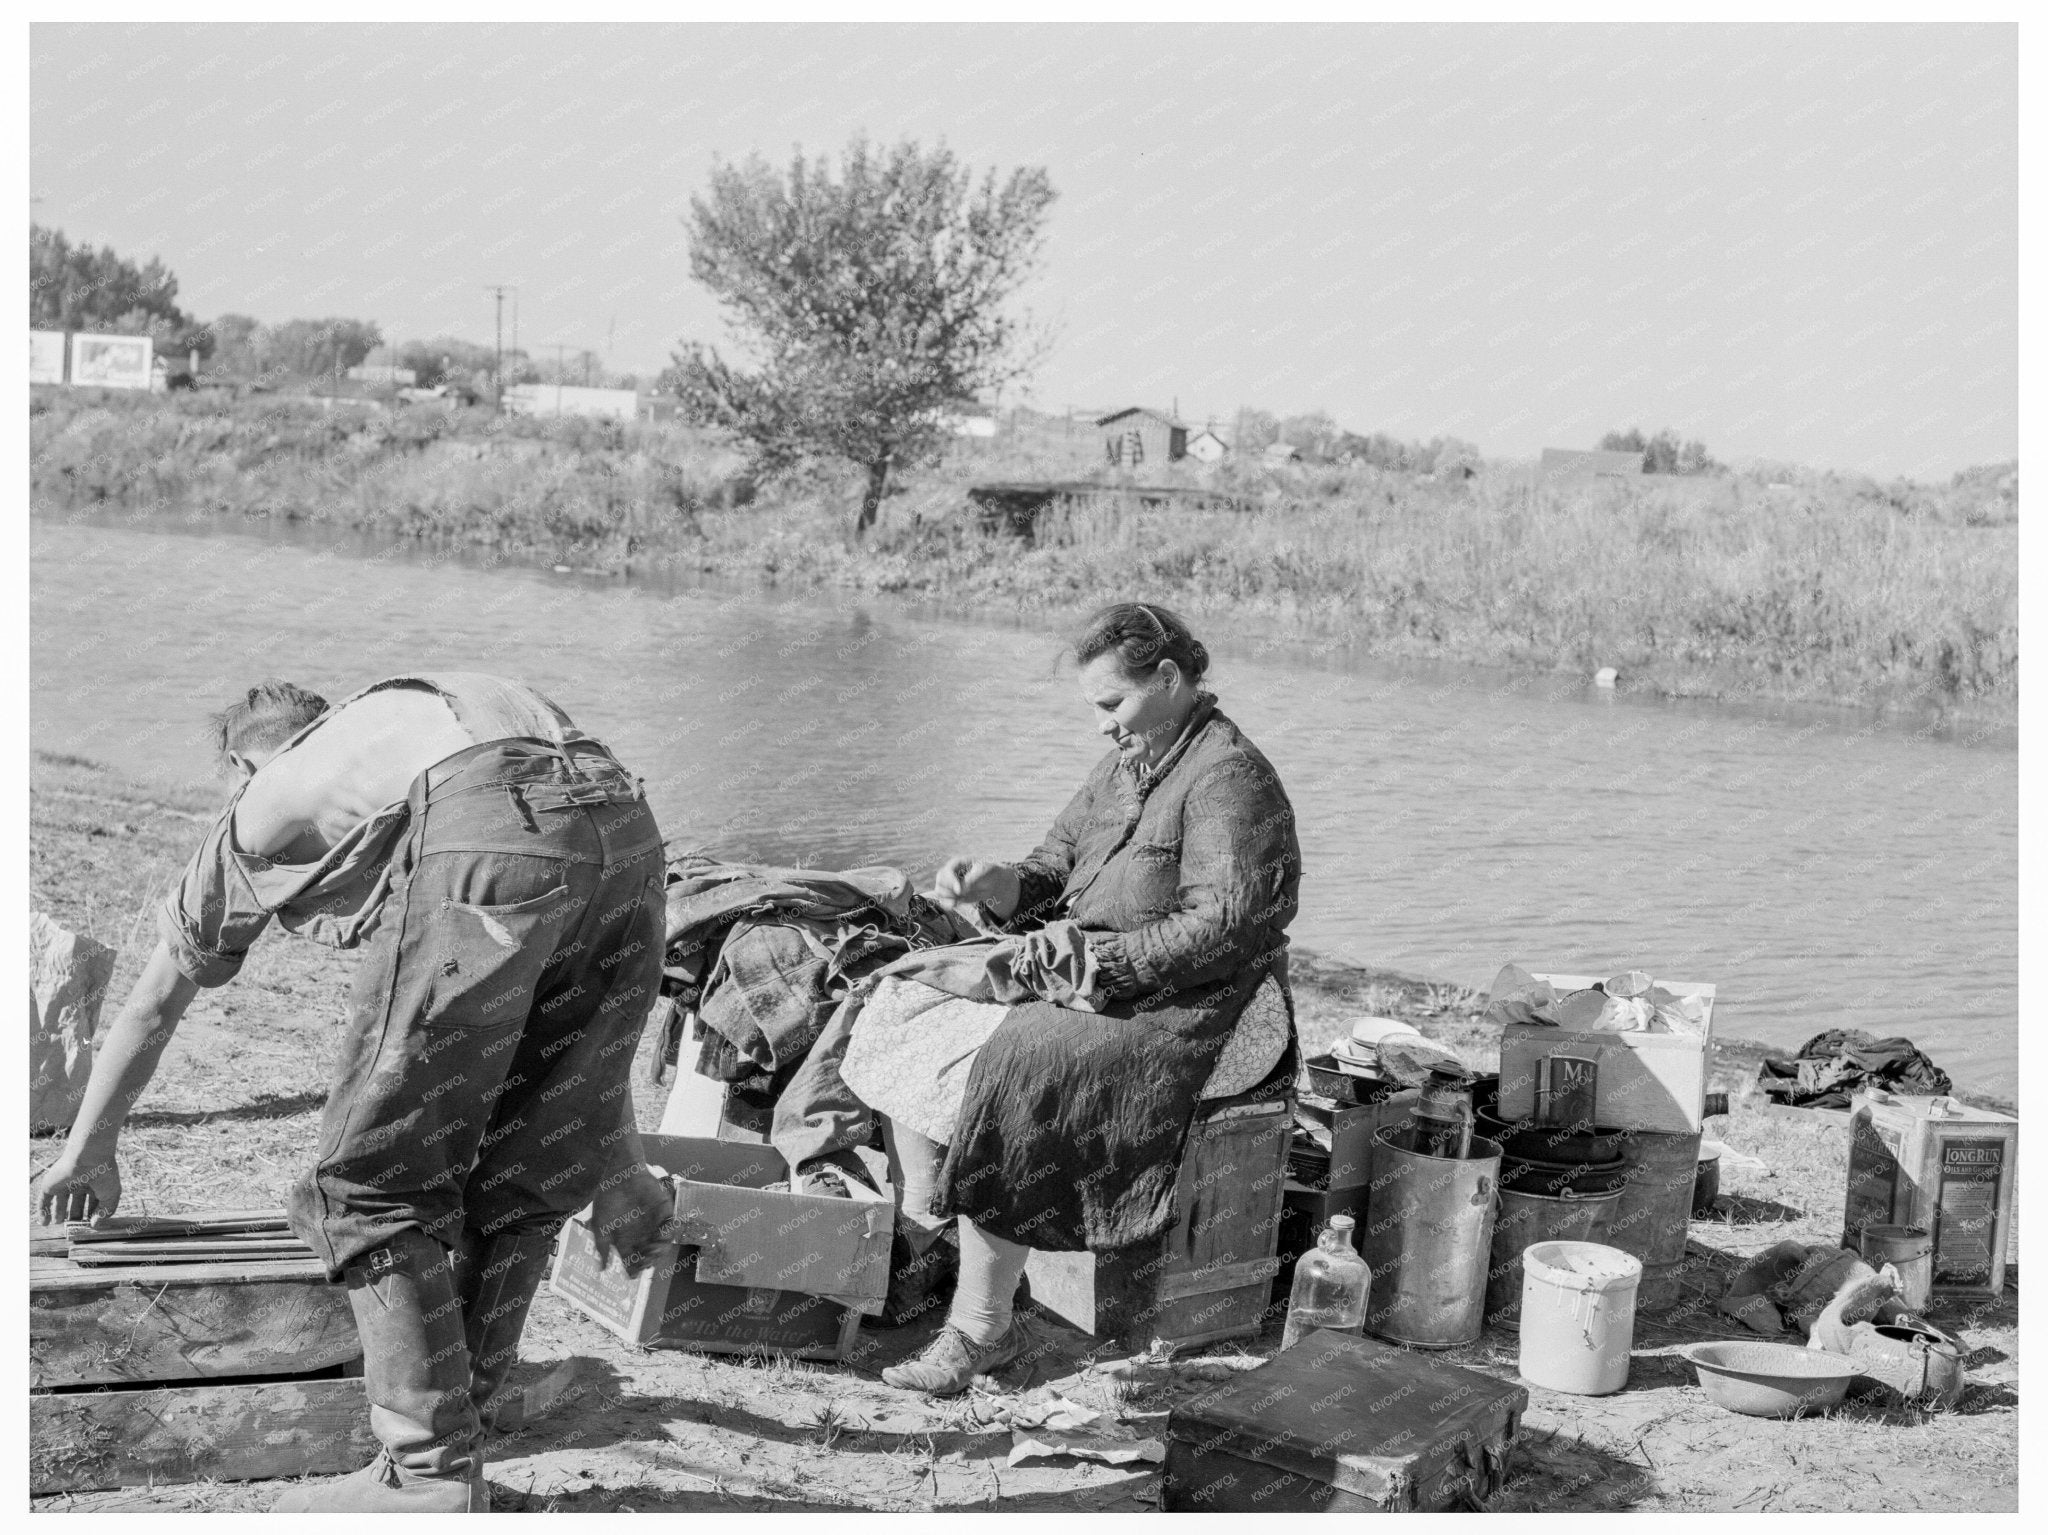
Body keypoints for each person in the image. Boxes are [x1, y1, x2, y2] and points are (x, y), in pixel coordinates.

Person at [34, 675, 675, 1511]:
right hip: (628, 829)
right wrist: (616, 1167)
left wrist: (88, 1148)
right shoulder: (403, 740)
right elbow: (562, 1033)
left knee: (366, 1187)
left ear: (239, 762)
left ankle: (428, 1479)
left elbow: (156, 1000)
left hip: (491, 820)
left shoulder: (265, 799)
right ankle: (457, 1469)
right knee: (521, 1180)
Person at [775, 602, 1302, 1394]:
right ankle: (938, 1232)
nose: (1102, 725)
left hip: (1213, 1003)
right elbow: (1054, 872)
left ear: (1169, 679)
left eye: (1111, 704)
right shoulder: (1129, 760)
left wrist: (1093, 966)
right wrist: (1002, 884)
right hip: (1101, 971)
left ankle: (983, 1327)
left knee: (1024, 1059)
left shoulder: (1231, 777)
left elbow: (1224, 928)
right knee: (902, 997)